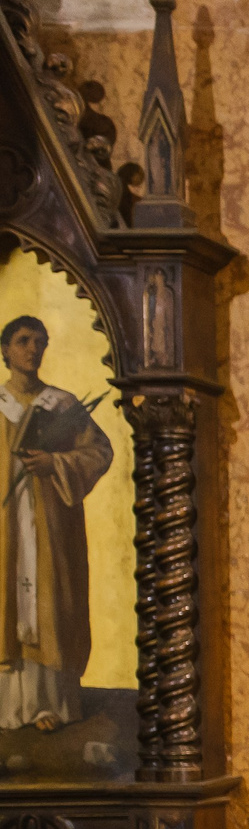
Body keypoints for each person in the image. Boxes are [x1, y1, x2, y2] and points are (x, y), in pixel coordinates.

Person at [0, 314, 113, 732]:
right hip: (6, 530)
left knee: (51, 602)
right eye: (24, 341)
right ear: (5, 350)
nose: (34, 349)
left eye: (41, 341)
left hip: (51, 527)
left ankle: (50, 705)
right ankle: (8, 709)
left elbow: (99, 452)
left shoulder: (62, 405)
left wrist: (56, 463)